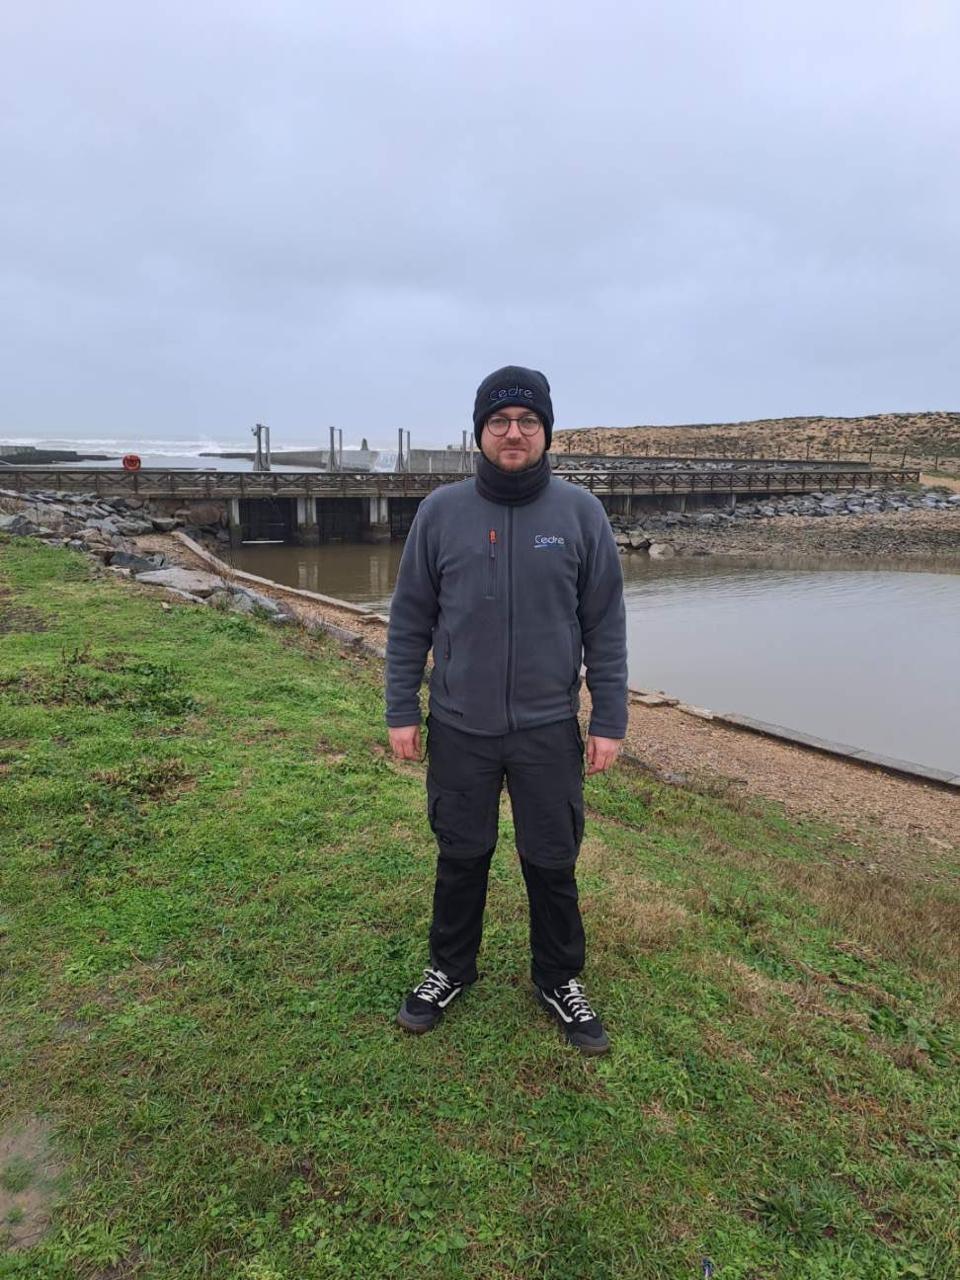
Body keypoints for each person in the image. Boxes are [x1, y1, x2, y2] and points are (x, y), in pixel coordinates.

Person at [385, 365, 627, 1055]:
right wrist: (402, 708)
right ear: (480, 433)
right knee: (461, 853)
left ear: (546, 432)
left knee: (552, 860)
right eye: (500, 422)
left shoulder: (581, 514)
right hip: (461, 723)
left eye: (527, 421)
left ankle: (558, 978)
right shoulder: (441, 512)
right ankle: (449, 969)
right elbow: (410, 622)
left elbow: (605, 626)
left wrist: (609, 719)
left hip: (548, 727)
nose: (513, 433)